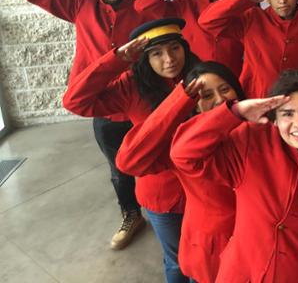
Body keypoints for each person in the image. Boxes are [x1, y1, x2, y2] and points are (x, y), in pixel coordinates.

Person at [170, 70, 298, 282]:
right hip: (244, 274)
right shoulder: (251, 141)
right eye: (287, 114)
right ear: (275, 118)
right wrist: (235, 112)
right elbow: (184, 155)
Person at [19, 0, 156, 250]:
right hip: (100, 101)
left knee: (151, 158)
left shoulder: (143, 10)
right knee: (118, 167)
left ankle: (161, 211)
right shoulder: (81, 5)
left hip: (138, 99)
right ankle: (132, 215)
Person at [62, 18, 199, 283]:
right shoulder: (131, 85)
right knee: (177, 263)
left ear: (185, 48)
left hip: (204, 189)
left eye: (174, 48)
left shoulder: (201, 76)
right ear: (144, 58)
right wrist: (116, 59)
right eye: (156, 54)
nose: (169, 59)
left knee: (204, 259)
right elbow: (75, 102)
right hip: (161, 193)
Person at [117, 61, 245, 283]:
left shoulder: (257, 131)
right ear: (194, 104)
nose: (220, 99)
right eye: (206, 95)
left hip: (251, 241)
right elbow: (128, 161)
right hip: (210, 249)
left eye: (225, 89)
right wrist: (178, 101)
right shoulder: (181, 141)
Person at [134, 0, 245, 75]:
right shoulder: (184, 7)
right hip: (192, 85)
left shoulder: (243, 9)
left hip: (234, 85)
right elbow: (143, 5)